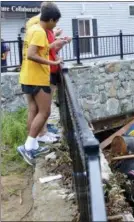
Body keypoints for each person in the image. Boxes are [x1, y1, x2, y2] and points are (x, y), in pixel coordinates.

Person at [17, 2, 62, 165]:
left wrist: (53, 44)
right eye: (55, 21)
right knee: (45, 112)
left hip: (28, 76)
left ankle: (33, 144)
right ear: (50, 19)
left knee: (35, 110)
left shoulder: (34, 29)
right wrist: (52, 63)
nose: (55, 25)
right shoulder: (39, 31)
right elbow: (31, 54)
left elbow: (39, 48)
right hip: (37, 78)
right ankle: (27, 147)